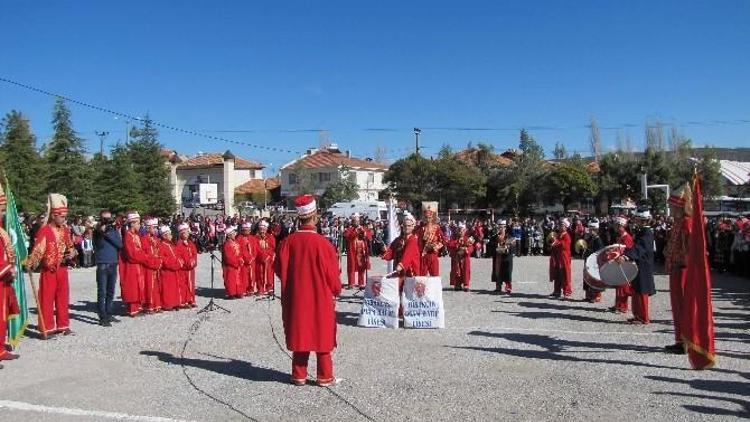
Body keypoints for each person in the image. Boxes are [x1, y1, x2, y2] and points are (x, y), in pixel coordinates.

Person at [274, 194, 341, 386]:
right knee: (322, 333)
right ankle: (324, 376)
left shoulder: (287, 243)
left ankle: (299, 374)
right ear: (315, 216)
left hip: (296, 296)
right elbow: (333, 275)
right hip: (319, 297)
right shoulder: (323, 244)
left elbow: (279, 268)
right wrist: (336, 290)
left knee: (301, 330)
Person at [26, 194, 77, 338]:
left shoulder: (65, 230)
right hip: (49, 270)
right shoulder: (45, 230)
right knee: (47, 298)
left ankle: (63, 325)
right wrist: (31, 263)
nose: (64, 219)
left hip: (63, 269)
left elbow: (71, 247)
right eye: (61, 216)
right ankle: (46, 328)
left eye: (65, 217)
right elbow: (38, 250)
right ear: (54, 216)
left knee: (63, 297)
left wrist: (72, 254)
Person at [664, 185, 692, 352]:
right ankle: (680, 339)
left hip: (683, 268)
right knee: (676, 305)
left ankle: (686, 341)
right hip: (676, 267)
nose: (671, 209)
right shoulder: (678, 222)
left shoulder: (687, 223)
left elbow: (690, 248)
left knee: (683, 305)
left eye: (673, 206)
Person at [121, 212, 160, 317]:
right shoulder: (128, 235)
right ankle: (132, 309)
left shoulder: (136, 235)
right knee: (132, 287)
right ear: (132, 223)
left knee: (138, 286)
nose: (139, 225)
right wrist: (146, 257)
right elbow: (133, 253)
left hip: (138, 265)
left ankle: (138, 307)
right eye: (138, 223)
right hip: (131, 266)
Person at [622, 210, 656, 325]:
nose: (635, 220)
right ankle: (637, 315)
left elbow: (640, 248)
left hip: (644, 264)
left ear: (643, 220)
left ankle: (644, 317)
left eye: (637, 219)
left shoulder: (647, 232)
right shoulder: (642, 231)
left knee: (642, 290)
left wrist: (627, 256)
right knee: (636, 289)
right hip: (638, 263)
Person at [0, 187, 20, 365]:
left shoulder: (1, 230)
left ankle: (0, 348)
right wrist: (7, 269)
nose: (3, 213)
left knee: (3, 315)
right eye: (1, 209)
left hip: (3, 281)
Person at [93, 210, 123, 326]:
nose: (107, 221)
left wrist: (108, 233)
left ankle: (109, 312)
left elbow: (120, 245)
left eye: (109, 218)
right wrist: (102, 233)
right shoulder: (97, 232)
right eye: (105, 219)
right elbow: (98, 245)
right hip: (102, 263)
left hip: (113, 262)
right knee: (102, 291)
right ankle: (102, 316)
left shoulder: (113, 230)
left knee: (111, 291)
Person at [610, 216, 635, 313]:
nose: (615, 227)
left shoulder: (627, 237)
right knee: (618, 285)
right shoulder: (621, 237)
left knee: (623, 286)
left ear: (621, 226)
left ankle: (622, 306)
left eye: (616, 225)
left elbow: (627, 250)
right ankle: (618, 304)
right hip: (619, 262)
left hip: (624, 263)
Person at [343, 213, 372, 289]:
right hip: (352, 250)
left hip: (361, 250)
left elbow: (369, 236)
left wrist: (364, 233)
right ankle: (351, 283)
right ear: (352, 221)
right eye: (355, 221)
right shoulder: (349, 229)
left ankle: (361, 283)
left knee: (361, 266)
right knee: (351, 266)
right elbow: (347, 237)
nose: (356, 222)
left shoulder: (363, 227)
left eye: (357, 221)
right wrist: (355, 231)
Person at [157, 226, 183, 311]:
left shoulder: (171, 245)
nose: (171, 236)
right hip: (167, 272)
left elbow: (177, 255)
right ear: (164, 236)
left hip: (174, 271)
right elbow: (164, 260)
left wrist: (179, 262)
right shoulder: (161, 245)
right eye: (169, 234)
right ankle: (167, 304)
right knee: (167, 288)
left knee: (174, 287)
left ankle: (175, 302)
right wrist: (175, 264)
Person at [141, 219, 162, 313]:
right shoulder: (143, 239)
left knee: (157, 286)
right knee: (149, 286)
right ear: (148, 228)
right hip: (148, 266)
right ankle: (149, 305)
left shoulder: (157, 239)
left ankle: (157, 304)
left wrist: (159, 261)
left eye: (156, 228)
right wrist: (152, 262)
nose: (156, 230)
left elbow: (160, 251)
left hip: (156, 265)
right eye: (154, 228)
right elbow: (144, 254)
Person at [174, 223, 198, 307]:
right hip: (183, 269)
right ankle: (184, 300)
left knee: (191, 284)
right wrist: (186, 263)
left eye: (188, 232)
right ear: (181, 233)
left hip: (191, 268)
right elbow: (179, 256)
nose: (187, 234)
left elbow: (194, 253)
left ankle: (191, 299)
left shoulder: (190, 243)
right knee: (184, 284)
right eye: (186, 232)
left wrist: (193, 261)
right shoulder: (178, 244)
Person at [416, 204, 444, 276]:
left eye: (430, 217)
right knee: (422, 276)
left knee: (435, 275)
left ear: (432, 218)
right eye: (426, 217)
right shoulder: (419, 229)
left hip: (433, 254)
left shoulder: (437, 228)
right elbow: (416, 242)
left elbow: (442, 241)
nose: (428, 219)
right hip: (423, 254)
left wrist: (436, 246)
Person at [582, 219, 605, 303]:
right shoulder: (590, 238)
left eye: (592, 229)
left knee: (594, 279)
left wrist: (588, 251)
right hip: (588, 261)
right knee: (587, 278)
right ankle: (588, 295)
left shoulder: (598, 240)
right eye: (590, 229)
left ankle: (597, 296)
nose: (590, 231)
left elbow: (598, 252)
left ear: (596, 230)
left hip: (594, 262)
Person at [549, 218, 572, 299]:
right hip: (558, 257)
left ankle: (567, 292)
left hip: (564, 258)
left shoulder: (567, 236)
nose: (560, 227)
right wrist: (553, 242)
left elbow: (564, 245)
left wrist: (556, 243)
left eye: (562, 226)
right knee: (557, 274)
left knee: (565, 274)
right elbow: (556, 242)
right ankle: (557, 291)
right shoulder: (559, 234)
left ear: (566, 227)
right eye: (560, 225)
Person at [448, 222, 474, 291]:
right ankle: (457, 284)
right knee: (456, 270)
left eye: (462, 230)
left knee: (465, 270)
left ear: (465, 230)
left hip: (465, 258)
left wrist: (466, 249)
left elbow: (471, 248)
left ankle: (466, 284)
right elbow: (450, 244)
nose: (460, 231)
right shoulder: (454, 238)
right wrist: (457, 246)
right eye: (459, 230)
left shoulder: (468, 238)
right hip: (456, 257)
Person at [491, 220, 515, 294]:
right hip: (498, 257)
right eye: (499, 227)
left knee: (507, 272)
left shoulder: (509, 236)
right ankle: (498, 286)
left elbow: (513, 245)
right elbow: (491, 245)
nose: (500, 228)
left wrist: (508, 248)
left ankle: (508, 287)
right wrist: (496, 247)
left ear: (505, 227)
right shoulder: (495, 236)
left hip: (507, 257)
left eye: (502, 227)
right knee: (497, 271)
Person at [255, 219, 276, 296]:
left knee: (269, 274)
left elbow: (272, 247)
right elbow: (256, 248)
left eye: (264, 229)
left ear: (266, 229)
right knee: (259, 274)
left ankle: (269, 288)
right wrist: (262, 256)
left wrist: (268, 255)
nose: (262, 231)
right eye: (261, 229)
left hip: (268, 259)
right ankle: (260, 289)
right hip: (259, 260)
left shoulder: (270, 237)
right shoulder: (255, 238)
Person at [222, 226, 244, 299]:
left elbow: (240, 252)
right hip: (230, 265)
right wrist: (236, 262)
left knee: (238, 279)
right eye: (233, 233)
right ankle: (231, 293)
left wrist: (240, 259)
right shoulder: (227, 244)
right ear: (229, 235)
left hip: (237, 264)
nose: (235, 234)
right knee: (230, 279)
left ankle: (238, 292)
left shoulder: (236, 243)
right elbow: (228, 257)